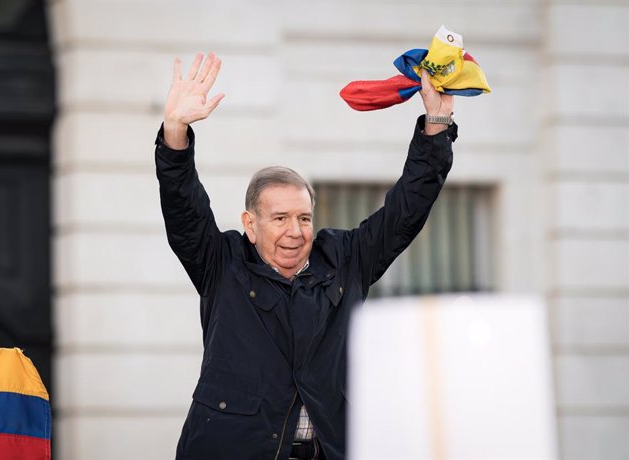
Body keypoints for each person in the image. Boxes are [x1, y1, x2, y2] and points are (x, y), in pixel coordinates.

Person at [155, 52, 456, 460]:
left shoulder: (345, 260)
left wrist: (436, 126)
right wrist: (175, 132)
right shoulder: (220, 263)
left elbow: (406, 211)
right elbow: (184, 210)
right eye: (279, 218)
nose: (295, 232)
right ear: (250, 223)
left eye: (303, 218)